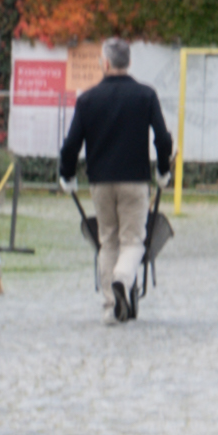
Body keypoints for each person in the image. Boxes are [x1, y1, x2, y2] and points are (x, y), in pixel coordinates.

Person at [61, 37, 174, 322]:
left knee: (107, 240)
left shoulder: (87, 100)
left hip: (100, 181)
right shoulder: (146, 95)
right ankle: (123, 279)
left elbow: (71, 143)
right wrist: (163, 171)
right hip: (135, 181)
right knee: (134, 241)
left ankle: (112, 306)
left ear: (105, 62)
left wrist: (67, 175)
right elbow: (162, 138)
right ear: (129, 63)